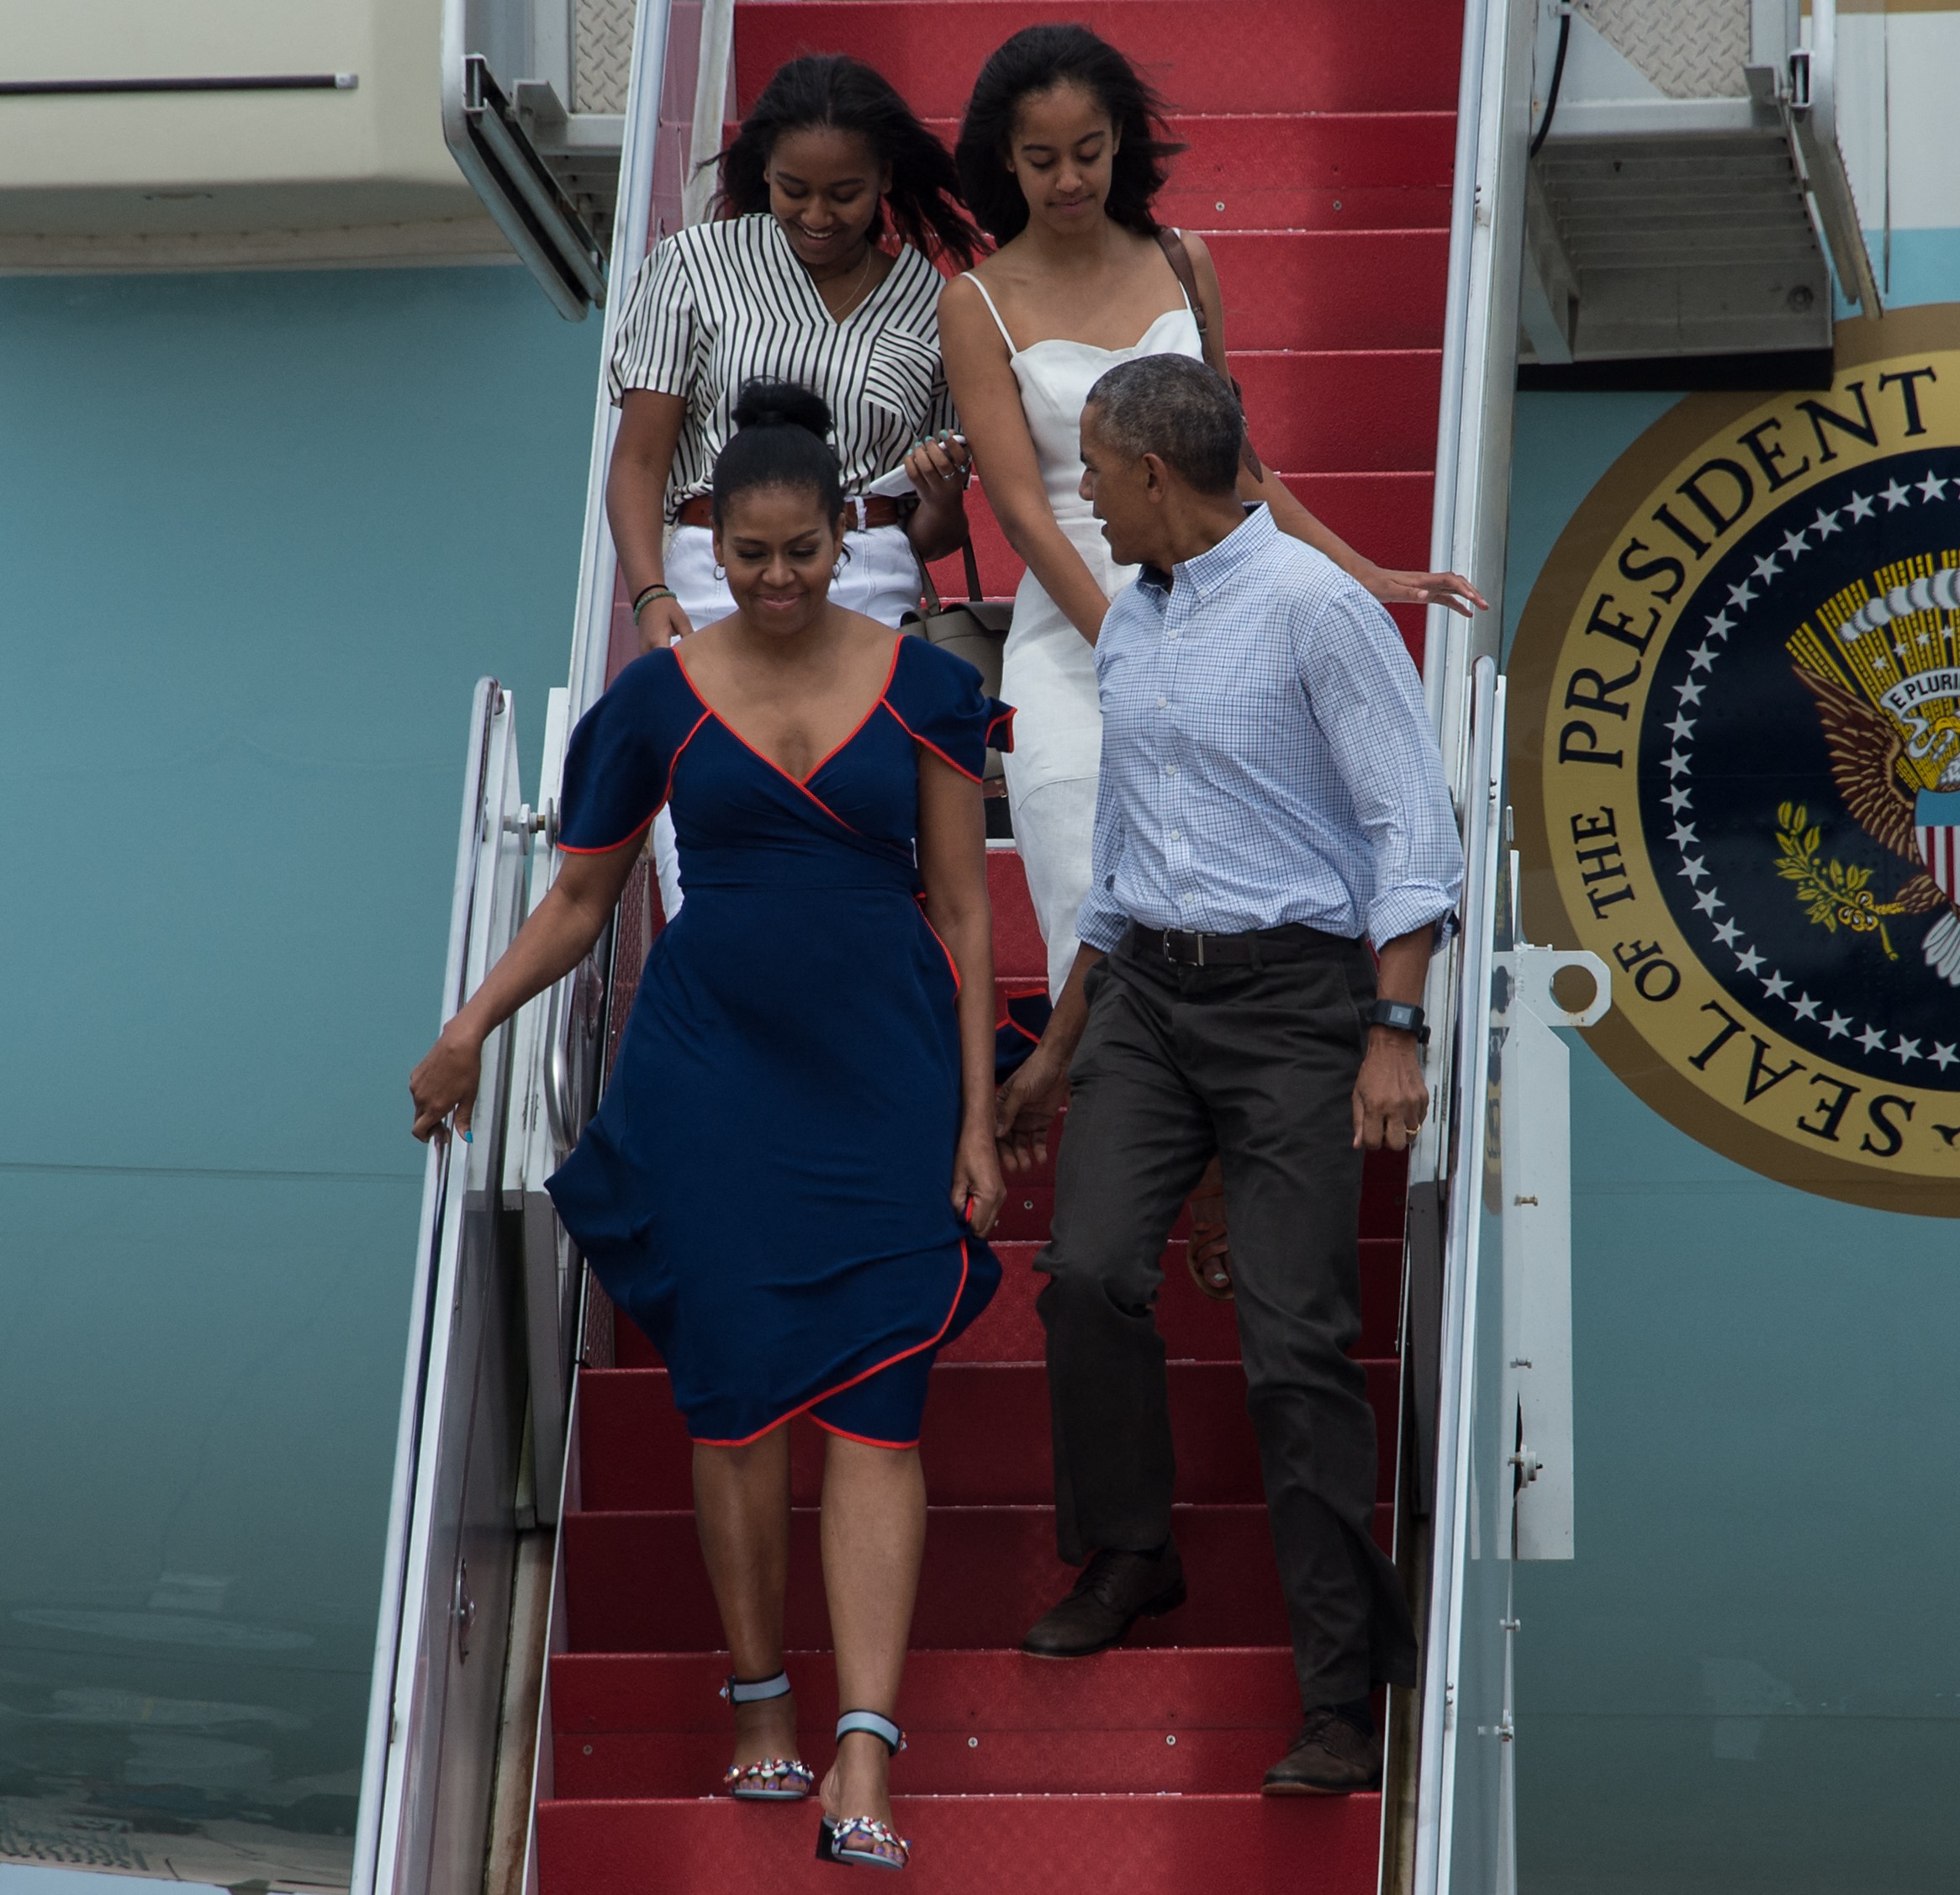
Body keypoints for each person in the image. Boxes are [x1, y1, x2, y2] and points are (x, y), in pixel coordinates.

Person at [410, 383, 1009, 1871]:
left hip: (883, 1073)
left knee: (879, 1402)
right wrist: (471, 1025)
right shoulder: (653, 702)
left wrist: (981, 1112)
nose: (777, 579)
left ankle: (863, 1733)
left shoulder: (928, 685)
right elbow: (578, 899)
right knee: (734, 1400)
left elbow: (961, 903)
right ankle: (760, 1696)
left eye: (800, 550)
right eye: (747, 555)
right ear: (706, 544)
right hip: (711, 1076)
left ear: (839, 534)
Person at [992, 356, 1463, 1795]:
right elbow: (1124, 869)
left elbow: (1414, 830)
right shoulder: (1129, 621)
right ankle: (1133, 1550)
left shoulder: (1317, 610)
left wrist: (1395, 1030)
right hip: (1145, 993)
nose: (1081, 491)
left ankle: (1339, 1691)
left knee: (1295, 1344)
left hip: (1295, 1007)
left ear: (1152, 475)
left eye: (1092, 465)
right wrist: (1056, 1053)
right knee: (1084, 1272)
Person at [939, 23, 1482, 1006]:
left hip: (1236, 615)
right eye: (1042, 159)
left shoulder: (1186, 261)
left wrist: (1365, 574)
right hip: (1076, 636)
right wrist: (1127, 646)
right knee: (1084, 900)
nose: (1071, 179)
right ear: (1003, 160)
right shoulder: (976, 300)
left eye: (1091, 152)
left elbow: (1237, 465)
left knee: (1240, 892)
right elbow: (1021, 513)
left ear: (1122, 143)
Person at [606, 50, 985, 919]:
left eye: (845, 192)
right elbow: (638, 460)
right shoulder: (695, 264)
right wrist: (649, 591)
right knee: (711, 832)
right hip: (715, 570)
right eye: (792, 188)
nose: (817, 214)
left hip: (874, 576)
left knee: (865, 844)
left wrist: (940, 492)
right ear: (763, 170)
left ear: (887, 175)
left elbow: (936, 535)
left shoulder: (935, 300)